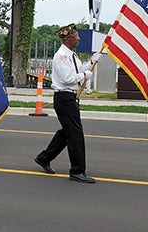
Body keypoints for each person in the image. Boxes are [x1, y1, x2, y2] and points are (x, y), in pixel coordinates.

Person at [33, 24, 101, 184]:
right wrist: (85, 74)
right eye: (76, 36)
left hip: (69, 98)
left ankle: (44, 158)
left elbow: (76, 72)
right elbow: (67, 79)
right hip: (64, 98)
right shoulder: (62, 56)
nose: (78, 38)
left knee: (67, 132)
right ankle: (77, 171)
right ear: (68, 39)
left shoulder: (72, 55)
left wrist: (91, 61)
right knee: (75, 134)